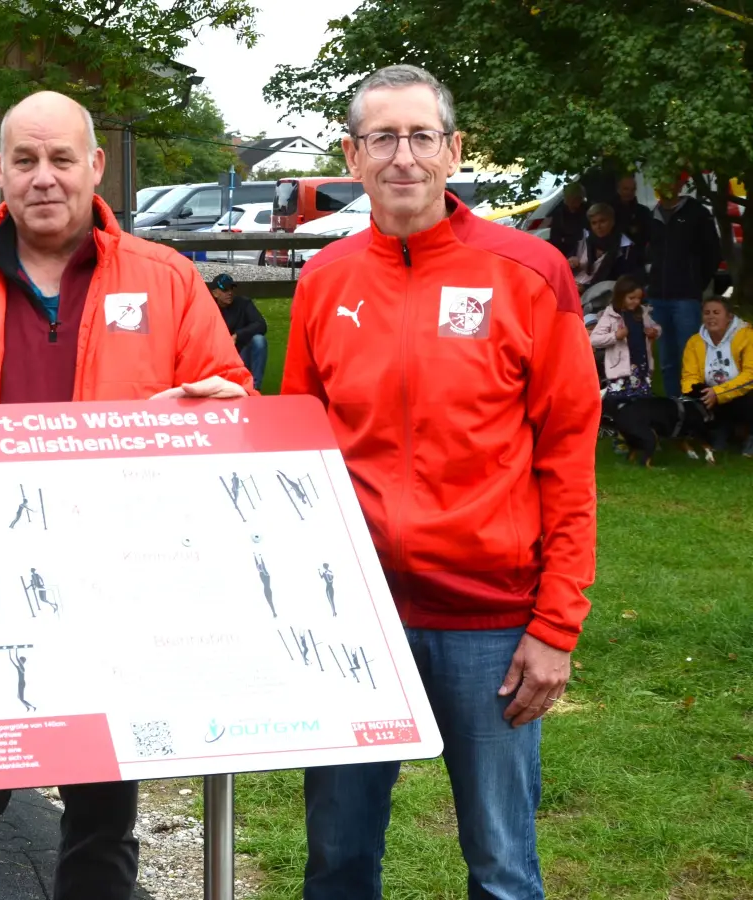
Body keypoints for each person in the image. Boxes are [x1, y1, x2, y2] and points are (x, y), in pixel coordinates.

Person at [0, 89, 254, 900]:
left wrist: (201, 418)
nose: (45, 178)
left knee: (102, 817)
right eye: (26, 160)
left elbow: (233, 411)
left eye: (62, 159)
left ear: (95, 167)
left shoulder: (168, 281)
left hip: (111, 599)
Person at [282, 64, 599, 900]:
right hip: (356, 619)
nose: (403, 157)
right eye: (382, 138)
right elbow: (297, 452)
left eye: (422, 136)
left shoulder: (529, 272)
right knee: (338, 862)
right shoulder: (324, 282)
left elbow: (567, 455)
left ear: (454, 151)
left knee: (501, 869)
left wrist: (556, 625)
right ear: (353, 156)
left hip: (489, 623)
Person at [647, 176, 723, 397]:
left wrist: (696, 283)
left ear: (680, 183)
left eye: (670, 179)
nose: (664, 184)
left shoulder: (697, 213)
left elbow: (713, 253)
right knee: (667, 360)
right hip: (657, 298)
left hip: (685, 299)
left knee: (690, 357)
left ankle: (693, 407)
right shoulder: (653, 215)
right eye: (660, 179)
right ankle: (673, 409)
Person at [681, 296, 753, 454]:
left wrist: (719, 392)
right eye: (707, 313)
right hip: (712, 395)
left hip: (745, 393)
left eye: (716, 312)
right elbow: (689, 376)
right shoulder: (694, 342)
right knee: (695, 402)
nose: (711, 316)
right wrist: (699, 394)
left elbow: (750, 375)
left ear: (729, 317)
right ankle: (720, 431)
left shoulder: (748, 336)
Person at [590, 274, 659, 398]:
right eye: (631, 298)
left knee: (642, 403)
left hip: (642, 369)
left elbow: (657, 328)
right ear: (620, 296)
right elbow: (594, 340)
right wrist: (615, 336)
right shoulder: (610, 315)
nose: (636, 302)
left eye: (639, 298)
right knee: (621, 405)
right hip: (621, 373)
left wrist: (654, 331)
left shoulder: (642, 312)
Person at [210, 272, 269, 390]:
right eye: (225, 290)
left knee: (259, 340)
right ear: (215, 293)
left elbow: (261, 325)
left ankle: (254, 388)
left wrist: (237, 335)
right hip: (219, 357)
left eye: (231, 288)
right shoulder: (209, 308)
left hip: (241, 352)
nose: (230, 292)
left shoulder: (243, 303)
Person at [569, 202, 641, 293]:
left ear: (612, 221)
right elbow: (566, 265)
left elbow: (620, 282)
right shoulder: (584, 242)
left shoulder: (626, 248)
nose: (598, 227)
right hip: (573, 289)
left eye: (602, 221)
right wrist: (571, 263)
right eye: (594, 223)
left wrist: (585, 289)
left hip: (602, 297)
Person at [548, 181, 589, 258]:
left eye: (576, 199)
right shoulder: (559, 213)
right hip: (566, 251)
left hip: (585, 250)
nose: (572, 203)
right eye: (569, 199)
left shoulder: (587, 210)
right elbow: (555, 237)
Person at [612, 174, 650, 254]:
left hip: (638, 256)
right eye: (626, 189)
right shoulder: (610, 211)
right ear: (618, 189)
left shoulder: (643, 211)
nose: (629, 192)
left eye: (632, 190)